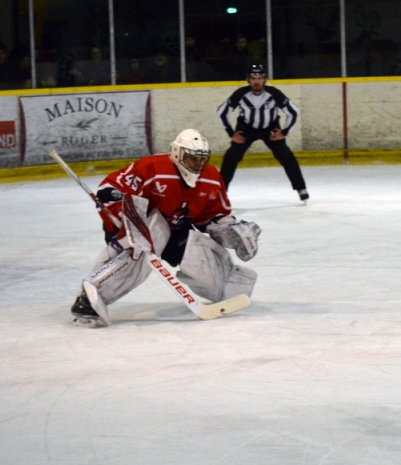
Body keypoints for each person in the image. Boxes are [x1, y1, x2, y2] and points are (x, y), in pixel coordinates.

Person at [70, 129, 262, 328]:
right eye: (192, 158)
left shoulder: (211, 177)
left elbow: (211, 215)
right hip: (136, 226)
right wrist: (127, 215)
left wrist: (227, 228)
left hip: (176, 229)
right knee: (143, 244)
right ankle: (89, 298)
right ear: (177, 154)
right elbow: (106, 191)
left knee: (199, 251)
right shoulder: (152, 167)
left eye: (201, 159)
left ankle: (227, 286)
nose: (198, 164)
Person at [216, 64, 309, 202]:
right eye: (253, 78)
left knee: (286, 156)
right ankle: (220, 193)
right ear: (248, 80)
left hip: (270, 129)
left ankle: (301, 188)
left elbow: (293, 111)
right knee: (231, 157)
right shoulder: (241, 93)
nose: (256, 81)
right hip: (246, 128)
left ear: (264, 79)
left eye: (259, 78)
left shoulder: (274, 92)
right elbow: (221, 112)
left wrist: (284, 132)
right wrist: (231, 134)